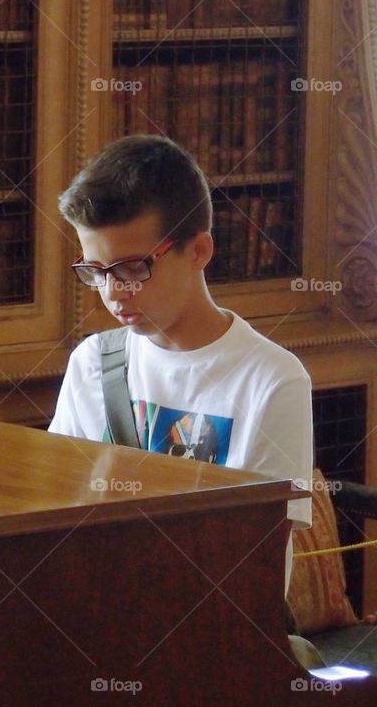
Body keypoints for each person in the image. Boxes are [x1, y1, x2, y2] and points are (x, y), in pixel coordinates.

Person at [48, 134, 312, 594]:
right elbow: (55, 517)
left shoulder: (272, 380)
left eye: (132, 268)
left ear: (199, 251)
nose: (113, 293)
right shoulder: (92, 363)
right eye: (96, 271)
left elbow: (258, 563)